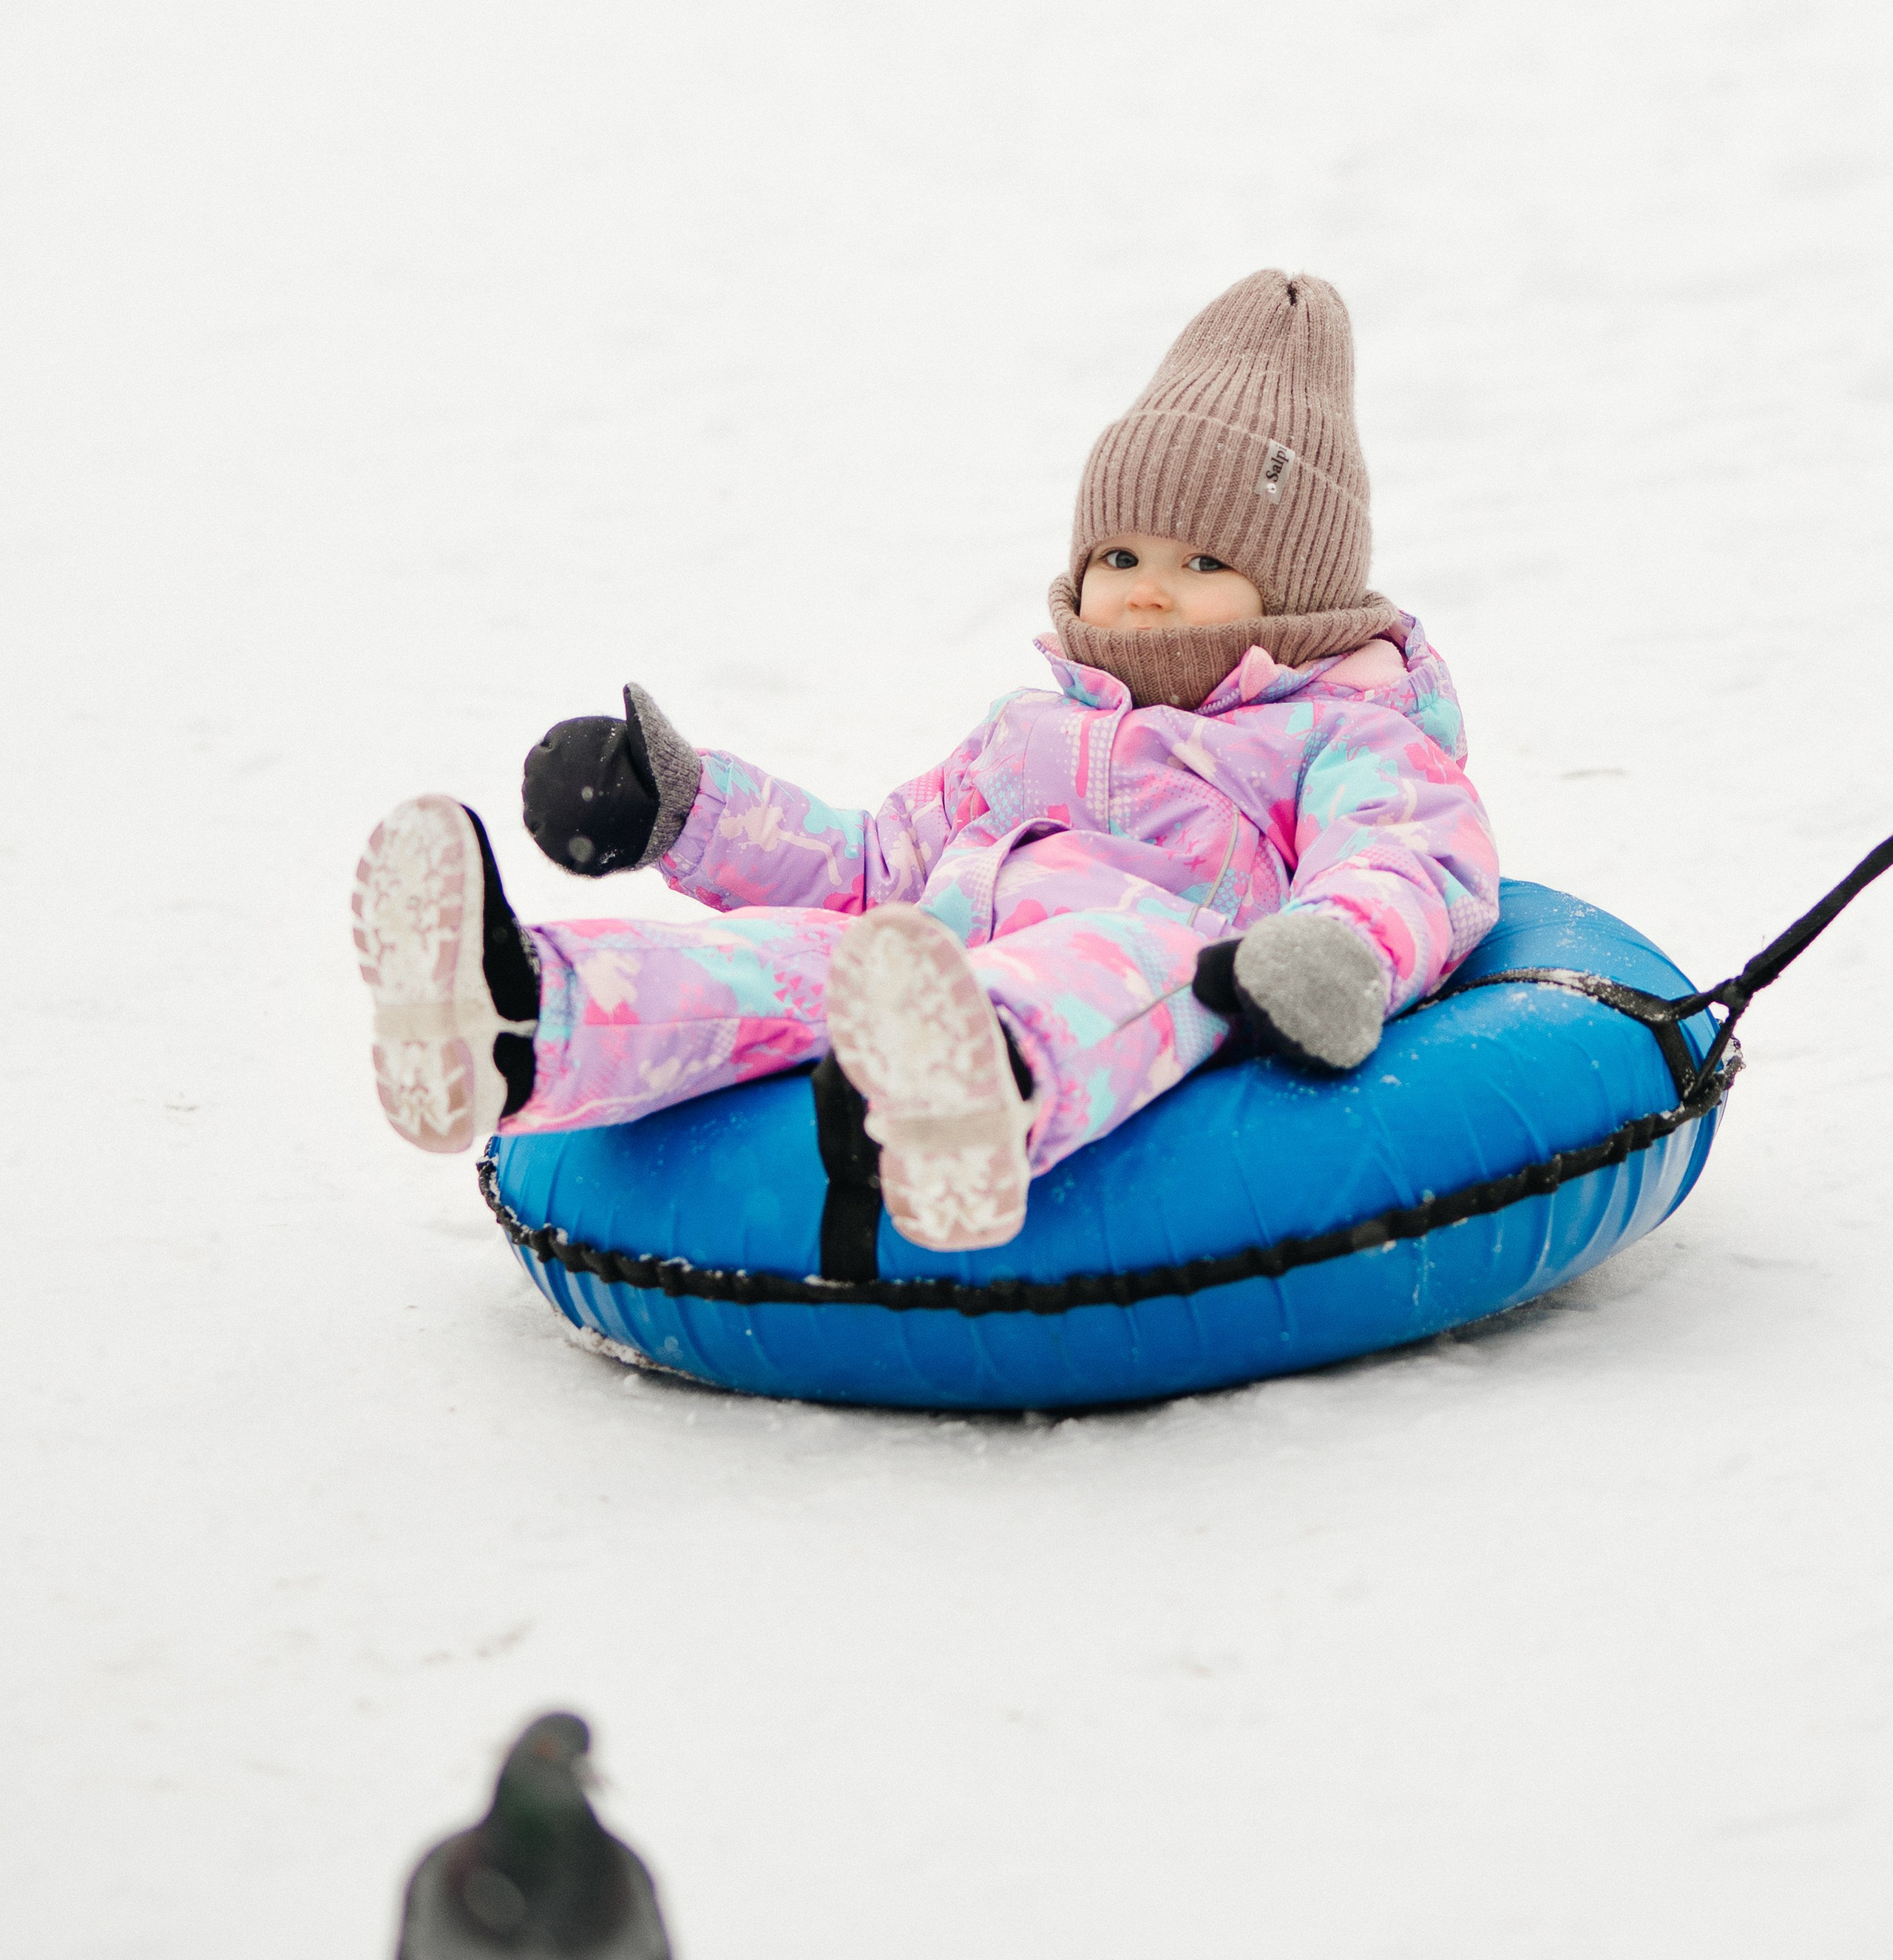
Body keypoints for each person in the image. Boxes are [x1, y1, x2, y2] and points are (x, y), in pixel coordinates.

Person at [352, 269, 1500, 1254]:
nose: (1148, 585)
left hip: (1176, 973)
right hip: (932, 965)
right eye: (1119, 550)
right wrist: (686, 807)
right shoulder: (1024, 733)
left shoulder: (1342, 732)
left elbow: (1412, 861)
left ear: (1295, 592)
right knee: (805, 957)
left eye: (1204, 557)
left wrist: (1339, 947)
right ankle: (514, 1018)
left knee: (1115, 952)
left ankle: (975, 1098)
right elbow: (872, 861)